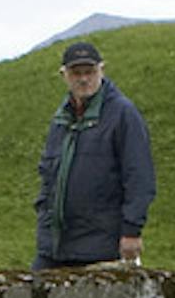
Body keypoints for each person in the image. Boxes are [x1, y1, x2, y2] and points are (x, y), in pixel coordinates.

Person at [33, 39, 154, 267]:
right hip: (53, 248)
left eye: (89, 71)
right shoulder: (61, 119)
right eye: (76, 73)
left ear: (101, 70)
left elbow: (139, 175)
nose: (83, 79)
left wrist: (132, 231)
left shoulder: (123, 114)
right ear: (64, 75)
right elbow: (48, 177)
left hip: (100, 247)